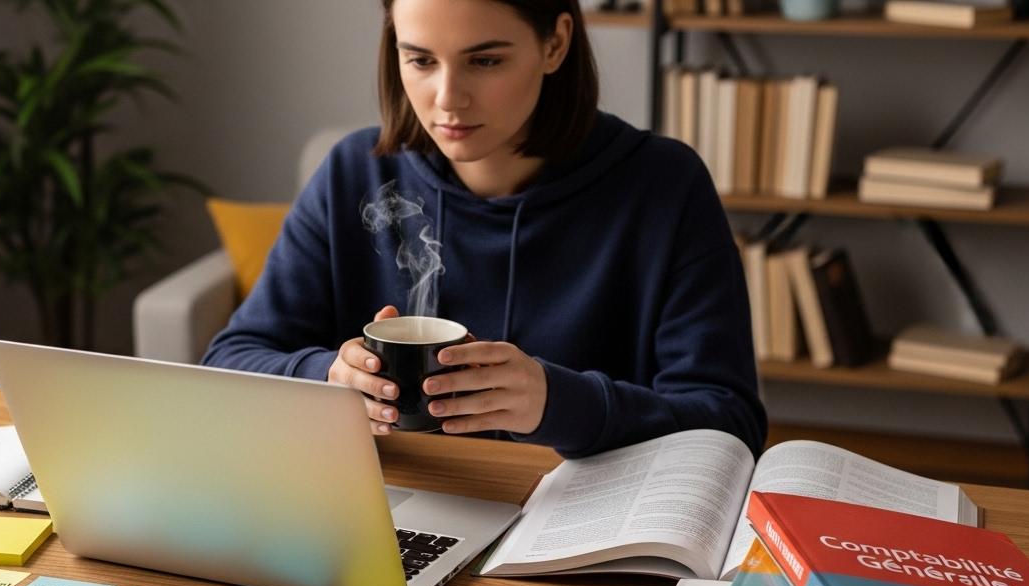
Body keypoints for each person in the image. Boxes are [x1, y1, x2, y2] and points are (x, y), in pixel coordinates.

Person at [203, 0, 766, 459]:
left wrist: (558, 402)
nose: (447, 99)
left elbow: (729, 421)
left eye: (486, 61)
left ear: (555, 44)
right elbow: (230, 360)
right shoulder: (357, 171)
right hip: (393, 512)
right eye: (420, 60)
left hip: (579, 531)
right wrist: (328, 376)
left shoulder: (663, 185)